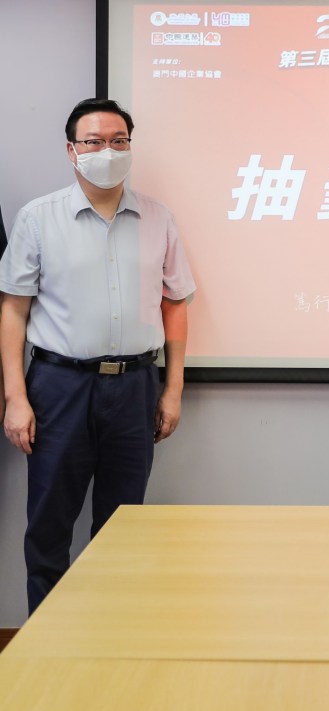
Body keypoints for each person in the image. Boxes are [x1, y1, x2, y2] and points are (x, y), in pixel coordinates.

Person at [0, 98, 196, 614]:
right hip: (59, 387)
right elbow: (13, 309)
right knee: (49, 526)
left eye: (118, 141)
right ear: (72, 150)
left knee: (122, 528)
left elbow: (175, 303)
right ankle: (46, 644)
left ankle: (110, 641)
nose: (107, 151)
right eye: (93, 142)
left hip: (135, 387)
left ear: (130, 146)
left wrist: (173, 390)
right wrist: (16, 397)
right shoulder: (38, 218)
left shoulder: (158, 218)